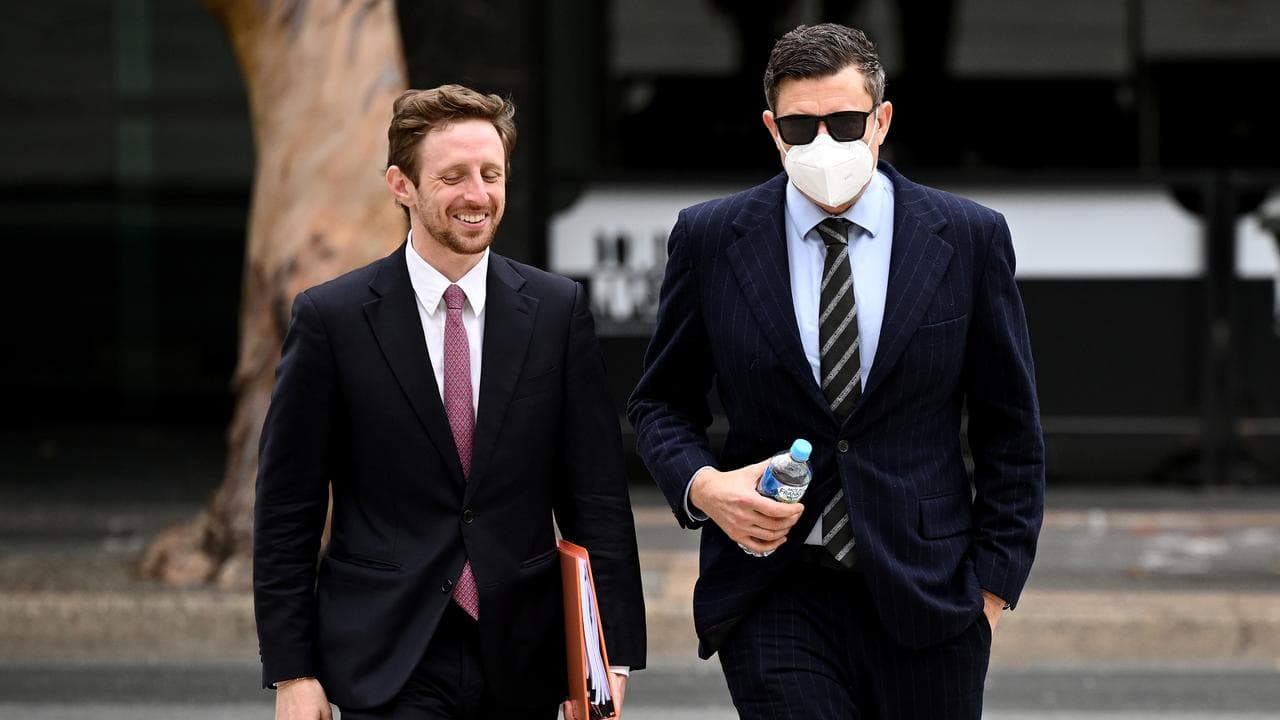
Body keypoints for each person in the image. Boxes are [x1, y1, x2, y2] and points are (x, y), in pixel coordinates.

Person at [627, 23, 1044, 720]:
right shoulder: (711, 237)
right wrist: (705, 489)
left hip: (932, 597)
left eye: (846, 122)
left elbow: (1012, 429)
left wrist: (991, 591)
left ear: (881, 120)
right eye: (801, 125)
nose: (824, 144)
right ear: (772, 129)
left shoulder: (967, 236)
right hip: (775, 591)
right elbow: (660, 403)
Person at [254, 84, 645, 720]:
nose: (477, 194)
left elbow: (595, 498)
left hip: (525, 654)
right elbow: (287, 508)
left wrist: (607, 662)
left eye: (492, 174)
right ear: (401, 185)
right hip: (385, 654)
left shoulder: (556, 311)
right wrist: (292, 670)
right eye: (453, 176)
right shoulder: (333, 320)